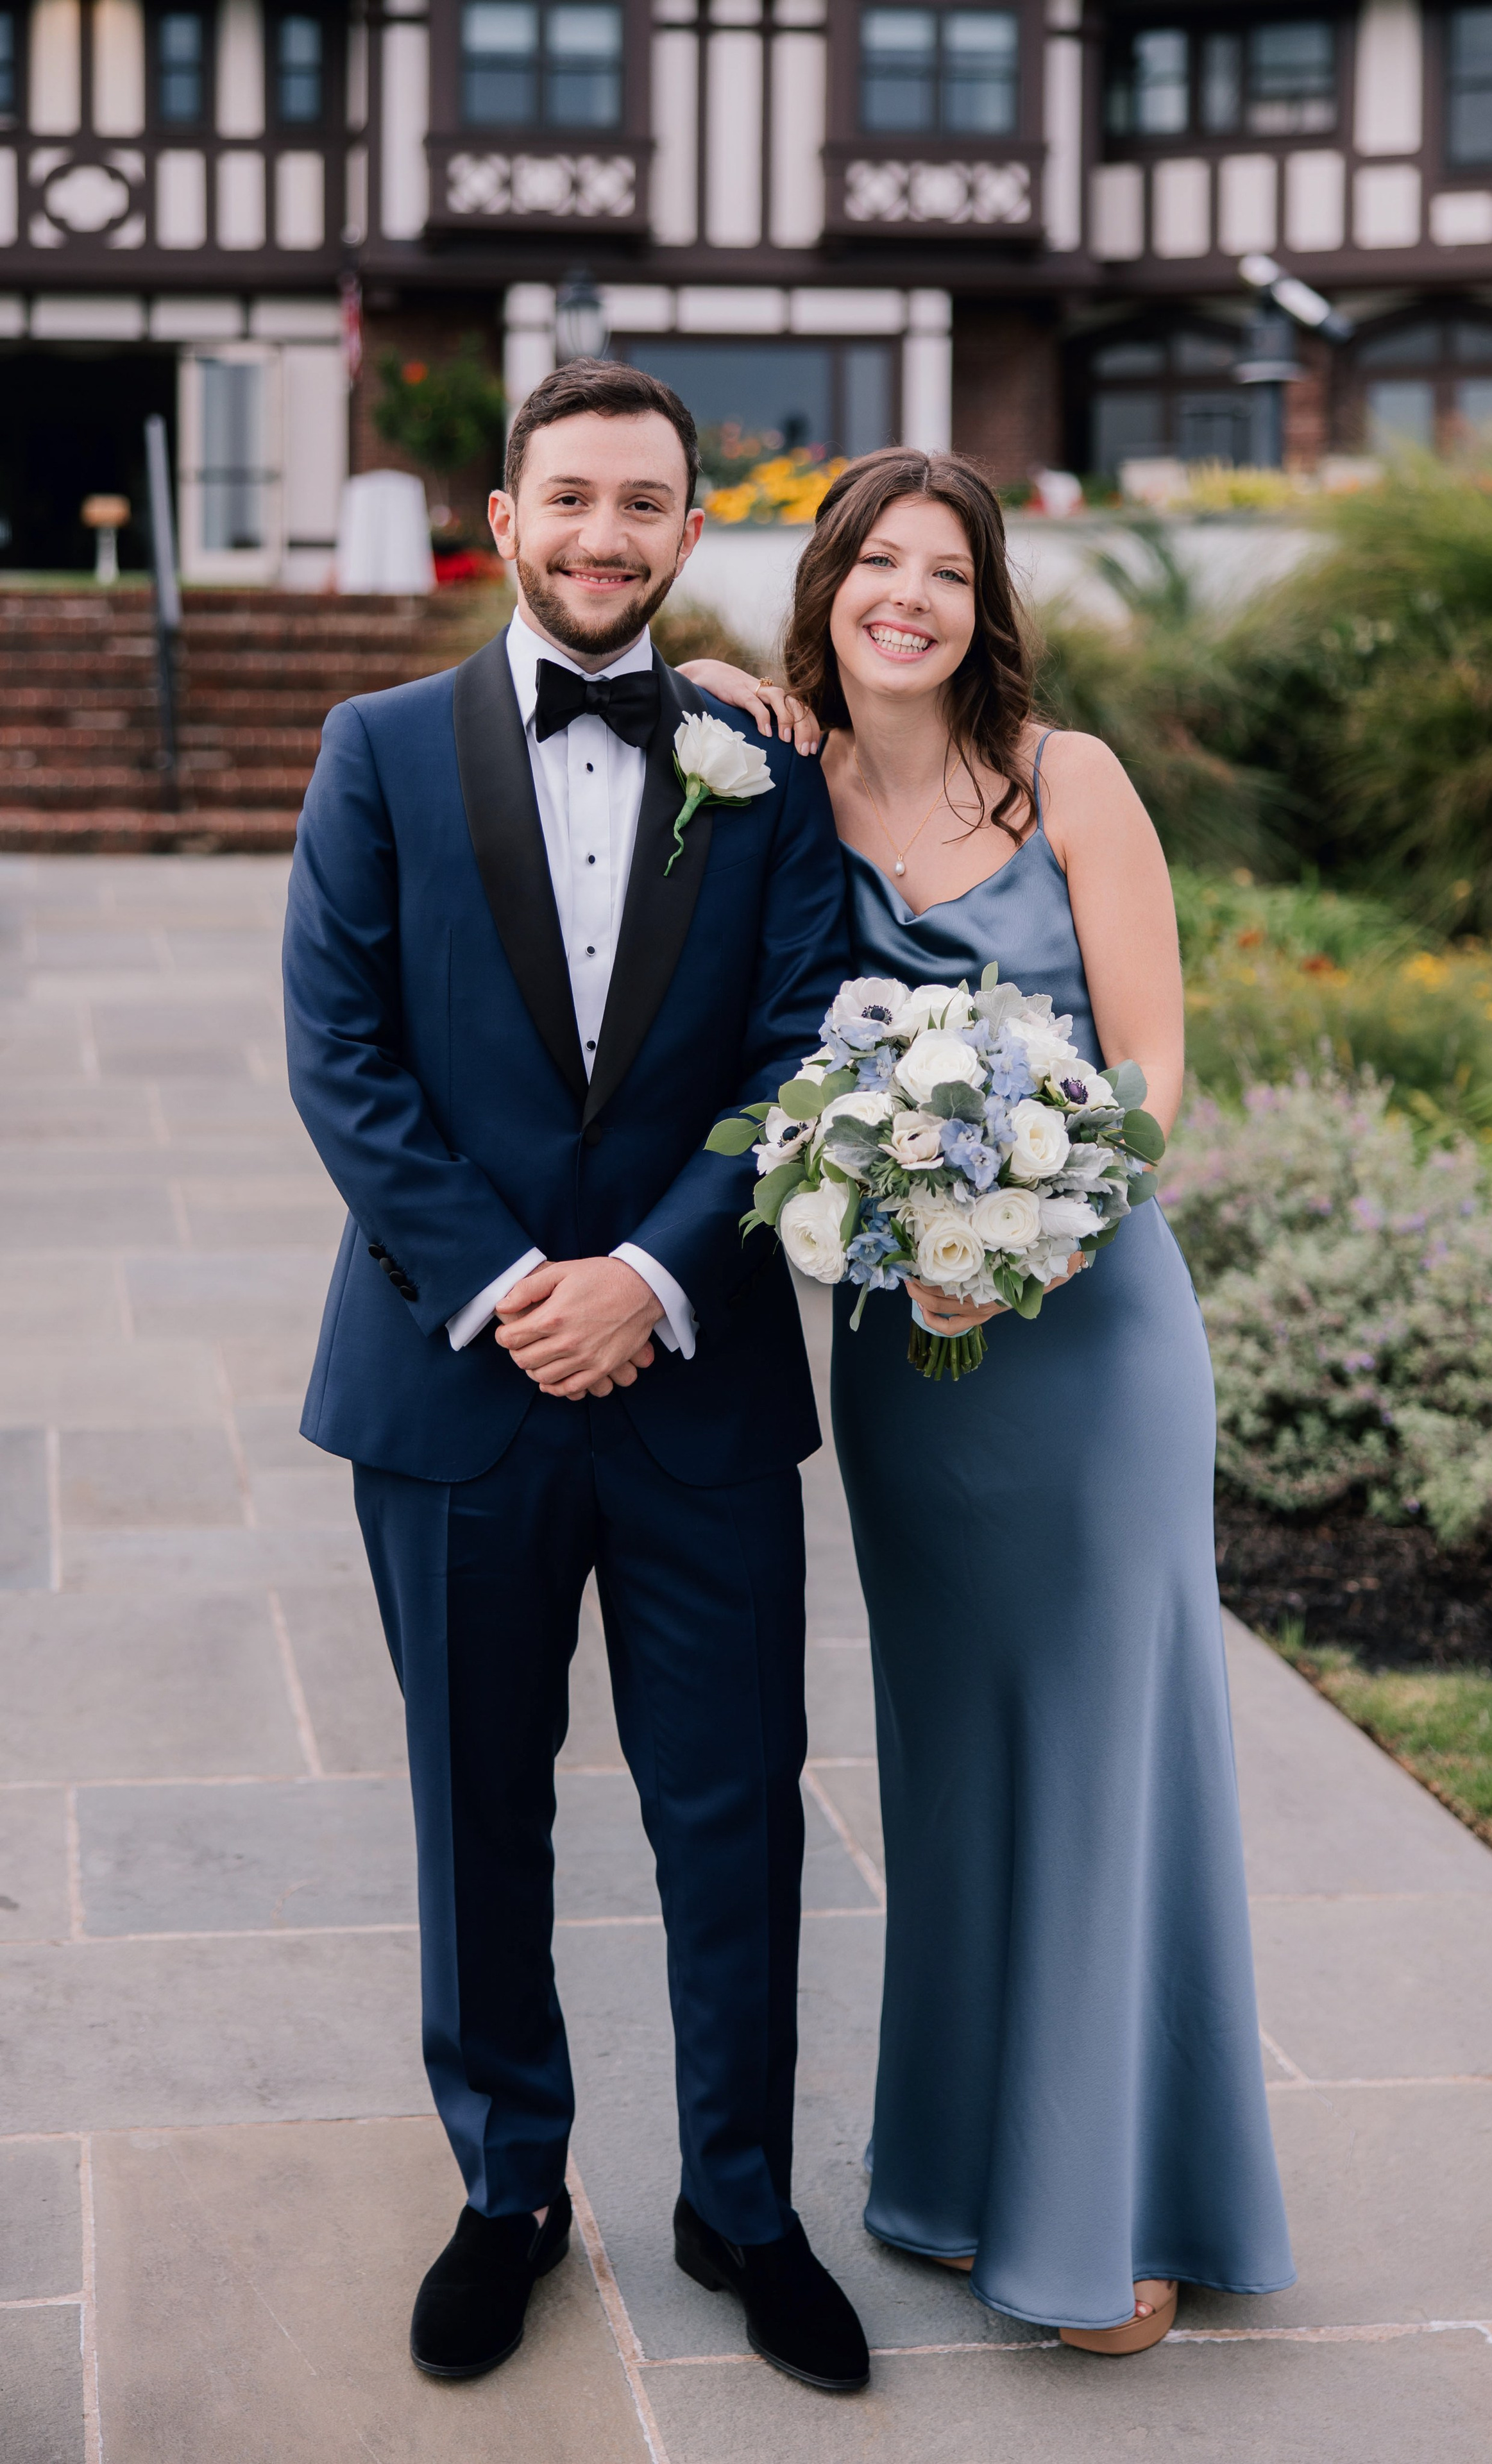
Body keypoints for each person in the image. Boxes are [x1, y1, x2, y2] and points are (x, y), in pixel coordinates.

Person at [282, 360, 870, 2396]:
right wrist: (521, 1283)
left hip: (695, 1384)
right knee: (476, 1807)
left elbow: (802, 1055)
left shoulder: (763, 769)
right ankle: (506, 2185)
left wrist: (652, 1275)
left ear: (695, 531)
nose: (606, 534)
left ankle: (740, 2198)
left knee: (733, 1810)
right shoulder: (373, 749)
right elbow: (341, 1059)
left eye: (646, 503)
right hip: (453, 1389)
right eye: (572, 498)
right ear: (505, 516)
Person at [681, 446, 1294, 2351]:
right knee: (952, 1764)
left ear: (986, 600)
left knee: (1112, 1748)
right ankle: (955, 2174)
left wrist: (1037, 1227)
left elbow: (1158, 1056)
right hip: (905, 1366)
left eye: (946, 571)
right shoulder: (785, 792)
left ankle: (1116, 2209)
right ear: (830, 583)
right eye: (878, 562)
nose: (909, 597)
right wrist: (709, 690)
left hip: (1092, 1338)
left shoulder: (1069, 780)